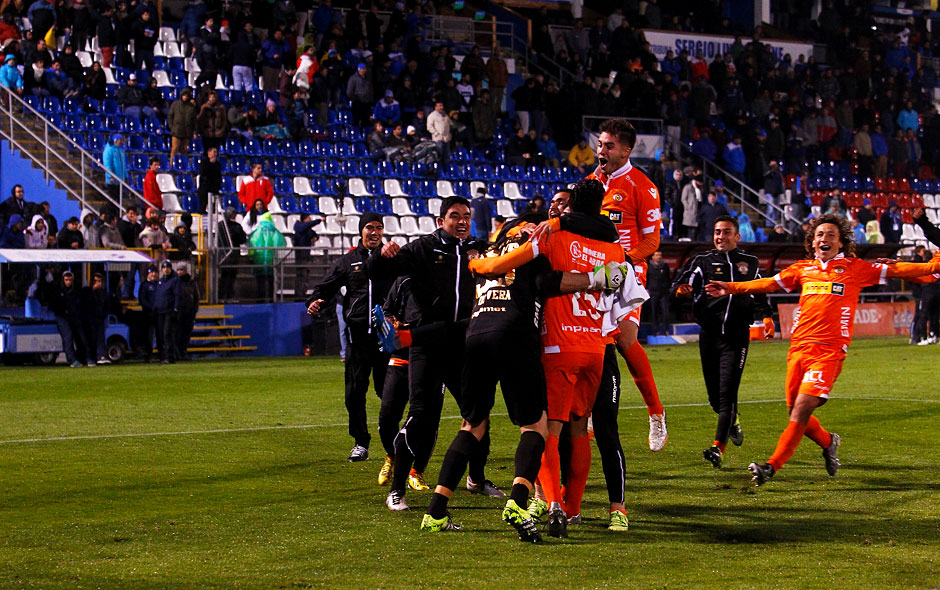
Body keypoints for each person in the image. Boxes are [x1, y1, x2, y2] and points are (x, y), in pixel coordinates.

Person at [705, 214, 940, 486]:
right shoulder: (803, 269)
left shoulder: (856, 268)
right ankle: (829, 442)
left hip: (829, 352)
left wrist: (932, 254)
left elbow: (916, 270)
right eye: (819, 235)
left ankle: (770, 467)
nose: (824, 239)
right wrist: (730, 287)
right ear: (812, 242)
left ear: (841, 243)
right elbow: (768, 283)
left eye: (830, 235)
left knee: (802, 408)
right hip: (798, 350)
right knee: (795, 411)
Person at [467, 179, 643, 537]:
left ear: (570, 207)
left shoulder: (552, 237)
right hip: (595, 349)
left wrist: (479, 266)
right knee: (581, 429)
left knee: (548, 429)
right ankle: (575, 508)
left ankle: (553, 505)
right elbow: (629, 294)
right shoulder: (614, 249)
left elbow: (510, 266)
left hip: (557, 347)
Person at [413, 212, 552, 540]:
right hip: (515, 334)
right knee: (535, 425)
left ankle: (436, 511)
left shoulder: (486, 253)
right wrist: (596, 278)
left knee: (472, 425)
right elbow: (551, 284)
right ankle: (518, 502)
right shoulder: (533, 250)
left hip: (475, 335)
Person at [366, 196, 498, 512]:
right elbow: (378, 271)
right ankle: (397, 490)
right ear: (441, 221)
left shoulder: (477, 249)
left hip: (463, 344)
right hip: (427, 343)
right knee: (420, 417)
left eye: (466, 216)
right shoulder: (423, 248)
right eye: (455, 216)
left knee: (478, 414)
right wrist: (381, 254)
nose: (462, 221)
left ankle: (477, 479)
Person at [674, 216, 774, 468]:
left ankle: (718, 447)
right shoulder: (702, 261)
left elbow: (759, 290)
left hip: (737, 337)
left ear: (737, 236)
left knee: (727, 392)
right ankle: (733, 421)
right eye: (717, 232)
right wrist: (681, 289)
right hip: (709, 336)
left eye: (726, 232)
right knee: (715, 399)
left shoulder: (750, 263)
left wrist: (766, 316)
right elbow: (684, 280)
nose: (721, 236)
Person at [306, 212, 392, 462]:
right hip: (358, 339)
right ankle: (360, 442)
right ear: (361, 231)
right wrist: (315, 301)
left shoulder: (391, 259)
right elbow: (326, 287)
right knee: (354, 393)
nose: (374, 232)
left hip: (385, 339)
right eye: (370, 227)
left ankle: (393, 437)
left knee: (389, 393)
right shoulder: (348, 261)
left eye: (379, 227)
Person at [49, 270, 86, 367]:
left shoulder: (75, 291)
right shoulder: (58, 291)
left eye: (70, 280)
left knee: (79, 336)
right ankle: (72, 360)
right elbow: (53, 305)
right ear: (63, 280)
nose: (68, 282)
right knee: (68, 336)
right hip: (62, 317)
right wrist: (63, 311)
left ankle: (82, 358)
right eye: (66, 280)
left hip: (73, 317)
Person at [248, 211, 285, 300]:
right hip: (272, 260)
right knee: (271, 281)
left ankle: (260, 299)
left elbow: (252, 244)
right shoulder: (275, 232)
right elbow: (281, 243)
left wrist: (251, 256)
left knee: (260, 281)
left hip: (259, 260)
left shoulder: (257, 232)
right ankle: (272, 298)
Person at [80, 272, 111, 365]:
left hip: (100, 319)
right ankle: (90, 357)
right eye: (95, 281)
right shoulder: (86, 291)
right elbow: (84, 303)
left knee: (100, 338)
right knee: (91, 339)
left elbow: (106, 305)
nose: (97, 283)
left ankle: (101, 356)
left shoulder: (104, 293)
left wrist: (103, 315)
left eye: (99, 281)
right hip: (89, 319)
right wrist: (92, 290)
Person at [217, 207, 247, 300]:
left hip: (229, 253)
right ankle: (225, 295)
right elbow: (242, 239)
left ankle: (225, 295)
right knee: (227, 275)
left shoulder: (221, 225)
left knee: (229, 275)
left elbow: (242, 239)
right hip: (228, 253)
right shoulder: (228, 226)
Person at [154, 260, 178, 364]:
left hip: (169, 311)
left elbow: (177, 295)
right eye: (164, 268)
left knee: (167, 334)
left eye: (167, 267)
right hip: (160, 311)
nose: (165, 269)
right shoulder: (161, 281)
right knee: (161, 335)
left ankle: (169, 357)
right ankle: (162, 356)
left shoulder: (174, 280)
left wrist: (175, 309)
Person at [174, 261, 199, 360]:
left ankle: (183, 352)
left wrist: (195, 310)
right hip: (179, 312)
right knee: (178, 333)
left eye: (181, 270)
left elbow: (196, 297)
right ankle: (178, 354)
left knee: (186, 334)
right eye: (178, 270)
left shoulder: (192, 282)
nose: (180, 272)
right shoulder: (175, 282)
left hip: (189, 312)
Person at [293, 213, 323, 296]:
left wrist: (315, 237)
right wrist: (319, 220)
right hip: (300, 255)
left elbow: (314, 234)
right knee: (300, 274)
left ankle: (303, 292)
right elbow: (306, 226)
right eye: (309, 218)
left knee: (305, 274)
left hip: (306, 255)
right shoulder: (298, 226)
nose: (310, 220)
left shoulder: (307, 230)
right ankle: (299, 293)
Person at [167, 88, 197, 161]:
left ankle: (183, 164)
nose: (185, 97)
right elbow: (170, 116)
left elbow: (194, 121)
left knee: (184, 150)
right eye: (184, 95)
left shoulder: (191, 107)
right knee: (174, 149)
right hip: (176, 130)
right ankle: (172, 164)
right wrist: (171, 127)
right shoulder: (175, 104)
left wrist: (195, 132)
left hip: (187, 131)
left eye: (187, 96)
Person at [646, 251, 671, 336]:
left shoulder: (665, 266)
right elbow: (647, 278)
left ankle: (665, 330)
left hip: (664, 292)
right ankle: (655, 330)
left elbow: (668, 278)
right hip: (653, 292)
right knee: (654, 312)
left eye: (660, 255)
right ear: (652, 257)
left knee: (665, 312)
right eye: (657, 255)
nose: (659, 257)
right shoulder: (648, 266)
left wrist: (668, 288)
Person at [137, 265, 158, 362]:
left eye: (155, 272)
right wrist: (151, 307)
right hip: (148, 315)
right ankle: (148, 355)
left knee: (160, 335)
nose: (154, 274)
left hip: (158, 314)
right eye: (152, 272)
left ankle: (162, 354)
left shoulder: (159, 284)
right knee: (148, 336)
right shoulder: (144, 285)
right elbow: (142, 300)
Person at [102, 135, 128, 204]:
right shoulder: (109, 150)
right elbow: (107, 164)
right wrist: (110, 176)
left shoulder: (121, 151)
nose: (122, 142)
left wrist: (126, 176)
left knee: (119, 201)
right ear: (115, 140)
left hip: (120, 180)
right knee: (112, 201)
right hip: (112, 181)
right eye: (120, 140)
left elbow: (124, 165)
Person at [197, 146, 221, 214]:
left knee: (213, 208)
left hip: (214, 188)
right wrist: (211, 164)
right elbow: (203, 173)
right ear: (209, 153)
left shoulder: (217, 164)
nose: (215, 154)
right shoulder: (204, 163)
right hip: (205, 187)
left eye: (216, 152)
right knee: (202, 206)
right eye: (214, 152)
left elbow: (218, 176)